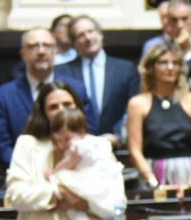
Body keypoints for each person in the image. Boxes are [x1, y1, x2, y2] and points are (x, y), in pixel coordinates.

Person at [5, 82, 125, 220]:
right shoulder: (27, 144)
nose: (61, 110)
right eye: (53, 107)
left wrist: (87, 203)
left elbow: (118, 201)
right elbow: (16, 195)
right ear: (43, 113)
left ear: (78, 109)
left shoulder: (97, 145)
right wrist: (60, 194)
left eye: (68, 104)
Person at [0, 28, 97, 166]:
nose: (41, 51)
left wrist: (66, 164)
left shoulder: (76, 89)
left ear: (55, 51)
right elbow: (0, 145)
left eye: (47, 45)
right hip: (24, 173)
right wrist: (30, 168)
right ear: (23, 54)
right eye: (33, 46)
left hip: (74, 169)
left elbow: (90, 132)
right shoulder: (4, 95)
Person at [127, 43, 191, 190]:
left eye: (175, 63)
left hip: (190, 174)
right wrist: (154, 183)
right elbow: (135, 150)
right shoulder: (138, 103)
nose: (170, 67)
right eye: (163, 62)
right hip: (153, 175)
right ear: (152, 67)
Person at [57, 15, 140, 144]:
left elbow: (133, 107)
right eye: (81, 35)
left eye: (91, 31)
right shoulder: (62, 72)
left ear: (101, 35)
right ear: (73, 44)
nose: (88, 38)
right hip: (76, 145)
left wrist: (118, 135)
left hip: (118, 145)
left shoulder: (125, 69)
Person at [46, 108, 126, 220]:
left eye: (66, 139)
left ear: (82, 132)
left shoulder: (77, 147)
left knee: (57, 180)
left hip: (90, 181)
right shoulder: (97, 141)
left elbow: (67, 164)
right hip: (107, 185)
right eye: (58, 141)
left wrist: (52, 173)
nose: (62, 145)